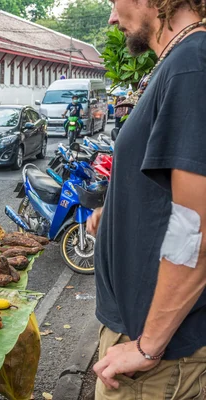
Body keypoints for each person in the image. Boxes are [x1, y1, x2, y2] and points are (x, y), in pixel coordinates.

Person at [86, 0, 206, 397]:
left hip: (159, 360)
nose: (112, 17)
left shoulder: (192, 66)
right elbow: (167, 192)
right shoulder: (177, 63)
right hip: (144, 340)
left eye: (114, 1)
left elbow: (197, 229)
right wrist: (118, 210)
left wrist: (148, 346)